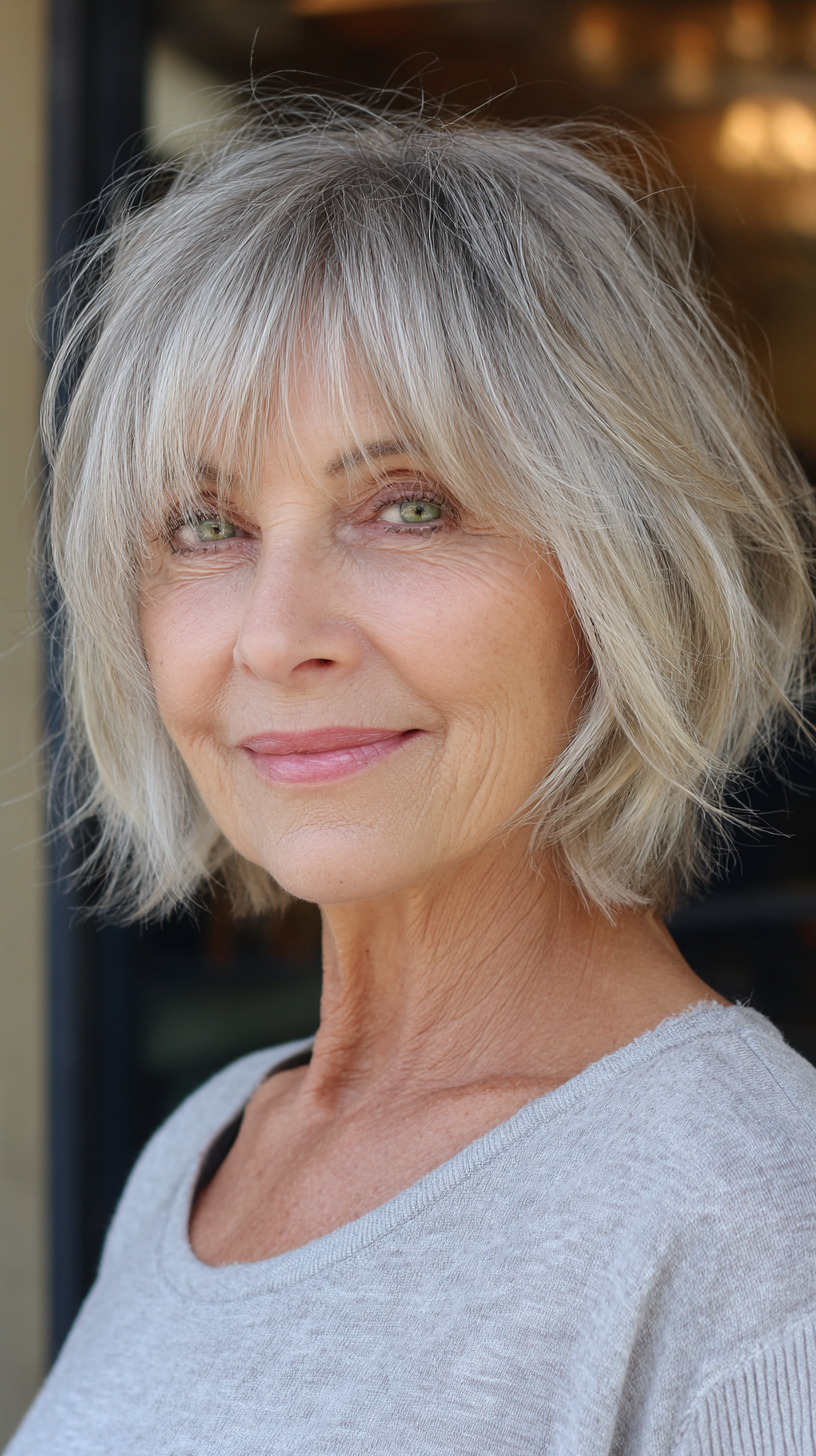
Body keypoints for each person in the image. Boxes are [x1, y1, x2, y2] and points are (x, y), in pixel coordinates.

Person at [8, 101, 816, 1455]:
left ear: (621, 572)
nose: (275, 634)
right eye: (207, 526)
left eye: (408, 505)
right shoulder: (206, 1151)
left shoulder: (752, 1235)